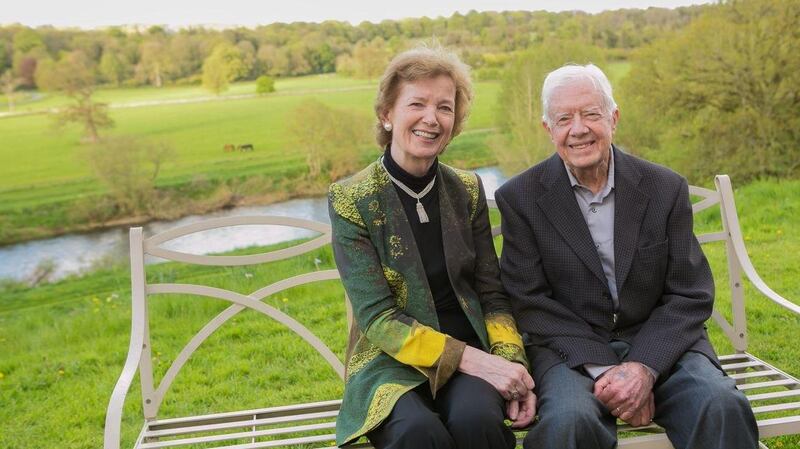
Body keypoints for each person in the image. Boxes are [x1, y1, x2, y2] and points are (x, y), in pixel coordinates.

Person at [495, 63, 759, 449]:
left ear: (613, 118)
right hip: (571, 350)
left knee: (721, 406)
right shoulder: (520, 198)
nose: (578, 128)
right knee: (569, 423)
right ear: (547, 129)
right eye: (564, 118)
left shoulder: (664, 188)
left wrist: (643, 368)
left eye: (590, 114)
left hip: (661, 343)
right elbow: (529, 302)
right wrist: (608, 372)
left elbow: (690, 292)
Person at [328, 46, 535, 449]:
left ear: (455, 121)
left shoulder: (467, 190)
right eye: (416, 104)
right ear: (387, 114)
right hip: (389, 363)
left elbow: (492, 295)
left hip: (469, 355)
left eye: (444, 107)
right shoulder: (351, 199)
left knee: (478, 422)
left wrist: (509, 364)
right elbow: (379, 318)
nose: (431, 118)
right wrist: (478, 362)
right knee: (417, 434)